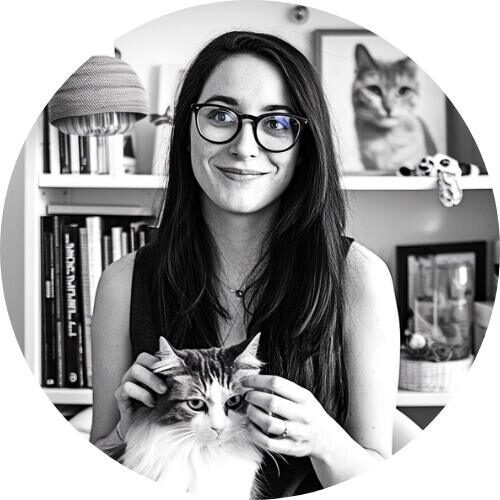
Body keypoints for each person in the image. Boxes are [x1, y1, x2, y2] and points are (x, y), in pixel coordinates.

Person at [90, 30, 401, 497]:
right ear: (186, 130)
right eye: (220, 115)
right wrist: (123, 435)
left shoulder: (360, 278)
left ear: (305, 144)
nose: (244, 145)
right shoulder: (123, 282)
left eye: (276, 123)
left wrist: (324, 440)